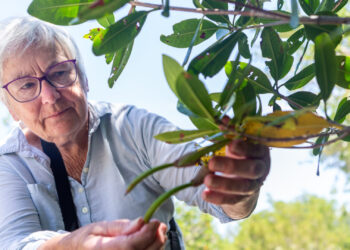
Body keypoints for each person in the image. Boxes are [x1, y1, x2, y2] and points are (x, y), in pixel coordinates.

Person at [0, 16, 270, 250]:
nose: (49, 96)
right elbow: (14, 242)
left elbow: (221, 199)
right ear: (10, 108)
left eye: (59, 73)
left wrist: (242, 185)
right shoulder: (9, 164)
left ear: (83, 78)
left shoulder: (133, 128)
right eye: (25, 86)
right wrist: (74, 245)